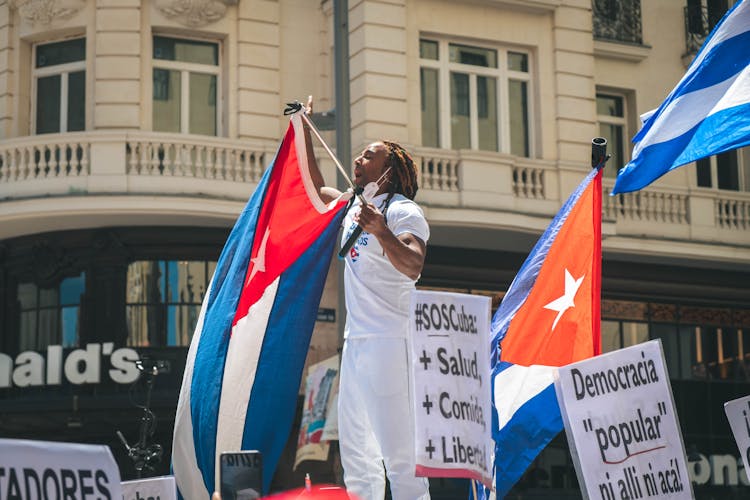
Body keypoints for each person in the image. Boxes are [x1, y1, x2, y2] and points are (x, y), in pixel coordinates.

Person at [304, 98, 431, 500]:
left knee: (401, 460)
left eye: (368, 156)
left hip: (390, 343)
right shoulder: (353, 206)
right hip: (355, 345)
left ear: (389, 171)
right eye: (359, 155)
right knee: (358, 464)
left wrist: (380, 231)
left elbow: (413, 265)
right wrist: (304, 131)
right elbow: (312, 186)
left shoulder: (404, 212)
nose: (358, 159)